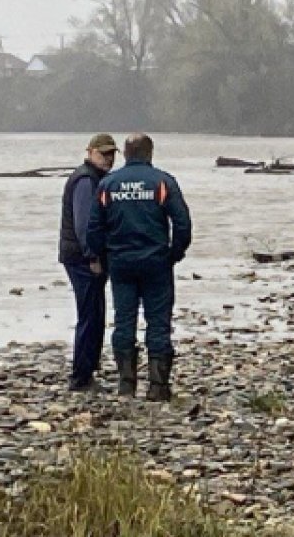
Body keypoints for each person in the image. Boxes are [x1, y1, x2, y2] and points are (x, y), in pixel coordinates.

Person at [86, 133, 191, 402]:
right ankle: (157, 386)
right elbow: (182, 223)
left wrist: (103, 256)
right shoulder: (163, 182)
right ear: (150, 153)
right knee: (158, 322)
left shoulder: (108, 185)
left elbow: (94, 228)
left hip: (121, 263)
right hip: (156, 262)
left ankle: (126, 383)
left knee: (124, 321)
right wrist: (174, 254)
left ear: (125, 153)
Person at [59, 133, 119, 392]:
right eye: (103, 153)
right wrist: (93, 256)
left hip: (87, 256)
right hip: (82, 259)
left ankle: (88, 370)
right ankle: (80, 376)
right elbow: (84, 224)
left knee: (96, 313)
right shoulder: (85, 180)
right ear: (90, 152)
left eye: (112, 154)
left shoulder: (98, 178)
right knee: (89, 315)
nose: (108, 158)